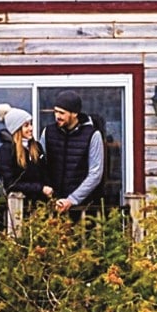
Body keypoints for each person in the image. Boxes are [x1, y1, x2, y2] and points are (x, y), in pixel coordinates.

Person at [42, 89, 104, 218]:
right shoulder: (48, 132)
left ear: (75, 113)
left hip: (83, 209)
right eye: (55, 111)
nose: (57, 116)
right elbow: (39, 165)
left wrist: (72, 199)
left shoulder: (93, 135)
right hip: (52, 206)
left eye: (62, 113)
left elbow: (95, 174)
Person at [0, 104, 48, 204]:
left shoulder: (37, 147)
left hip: (41, 205)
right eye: (26, 125)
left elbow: (45, 174)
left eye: (31, 124)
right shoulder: (6, 151)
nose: (31, 128)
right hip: (19, 205)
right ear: (16, 129)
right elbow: (10, 184)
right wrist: (40, 188)